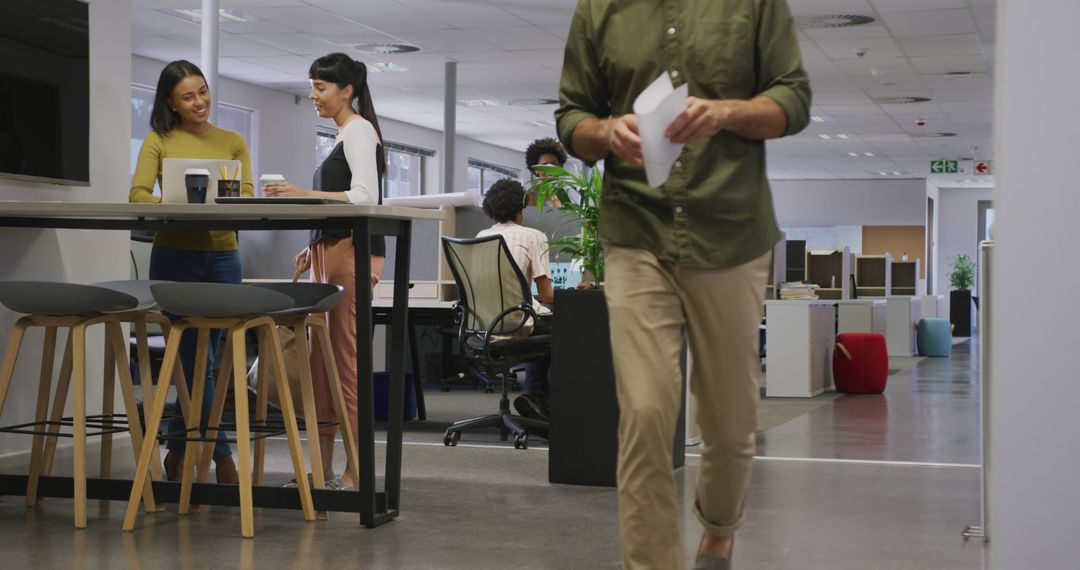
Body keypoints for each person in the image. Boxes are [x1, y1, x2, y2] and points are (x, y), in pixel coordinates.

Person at [555, 1, 811, 568]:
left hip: (732, 231)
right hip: (636, 229)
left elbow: (793, 99)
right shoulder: (599, 8)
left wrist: (724, 112)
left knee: (730, 421)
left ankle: (719, 530)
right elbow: (571, 117)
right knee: (644, 413)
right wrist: (603, 130)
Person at [264, 53, 387, 491]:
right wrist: (312, 243)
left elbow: (364, 196)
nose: (313, 95)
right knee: (321, 366)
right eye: (312, 87)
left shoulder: (358, 130)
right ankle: (323, 470)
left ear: (346, 91)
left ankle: (356, 472)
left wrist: (303, 193)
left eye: (321, 88)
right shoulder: (342, 134)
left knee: (343, 364)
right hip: (330, 250)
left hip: (350, 254)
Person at [130, 60, 255, 484]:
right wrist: (176, 207)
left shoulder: (233, 140)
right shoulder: (158, 141)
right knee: (188, 360)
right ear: (171, 102)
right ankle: (221, 457)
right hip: (174, 257)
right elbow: (138, 195)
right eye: (188, 96)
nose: (200, 102)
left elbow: (249, 196)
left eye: (202, 91)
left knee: (211, 359)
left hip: (224, 256)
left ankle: (177, 449)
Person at [475, 178, 553, 420]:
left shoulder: (481, 236)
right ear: (521, 210)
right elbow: (547, 295)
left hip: (482, 326)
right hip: (517, 323)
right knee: (566, 328)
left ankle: (534, 396)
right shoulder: (534, 236)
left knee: (540, 324)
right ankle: (535, 396)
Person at [524, 137, 568, 207]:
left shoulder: (562, 196)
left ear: (560, 167)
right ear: (536, 170)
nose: (550, 169)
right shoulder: (531, 197)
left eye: (554, 164)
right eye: (544, 166)